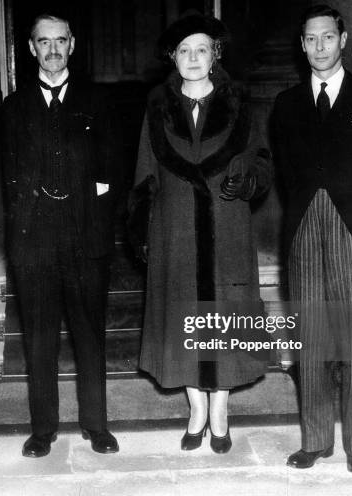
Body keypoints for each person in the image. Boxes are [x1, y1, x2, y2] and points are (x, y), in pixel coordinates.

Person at [129, 14, 271, 453]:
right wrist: (141, 230)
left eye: (202, 49)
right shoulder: (156, 104)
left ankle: (221, 410)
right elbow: (144, 171)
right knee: (181, 314)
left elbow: (261, 161)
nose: (193, 58)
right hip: (175, 229)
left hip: (227, 225)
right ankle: (195, 409)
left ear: (216, 55)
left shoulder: (239, 102)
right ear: (173, 56)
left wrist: (246, 173)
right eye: (184, 50)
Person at [273, 5, 352, 472]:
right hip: (305, 226)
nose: (320, 46)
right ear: (302, 45)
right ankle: (315, 441)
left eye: (328, 37)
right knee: (310, 336)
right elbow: (285, 172)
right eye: (311, 39)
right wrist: (309, 210)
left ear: (343, 40)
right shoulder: (286, 104)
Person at [0, 14, 120, 457]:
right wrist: (19, 239)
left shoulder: (99, 101)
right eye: (43, 42)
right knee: (40, 338)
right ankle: (42, 429)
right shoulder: (14, 107)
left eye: (60, 41)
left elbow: (113, 171)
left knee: (90, 334)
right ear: (31, 48)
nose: (52, 49)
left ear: (73, 44)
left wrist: (96, 218)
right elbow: (9, 177)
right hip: (35, 240)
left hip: (85, 235)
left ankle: (97, 425)